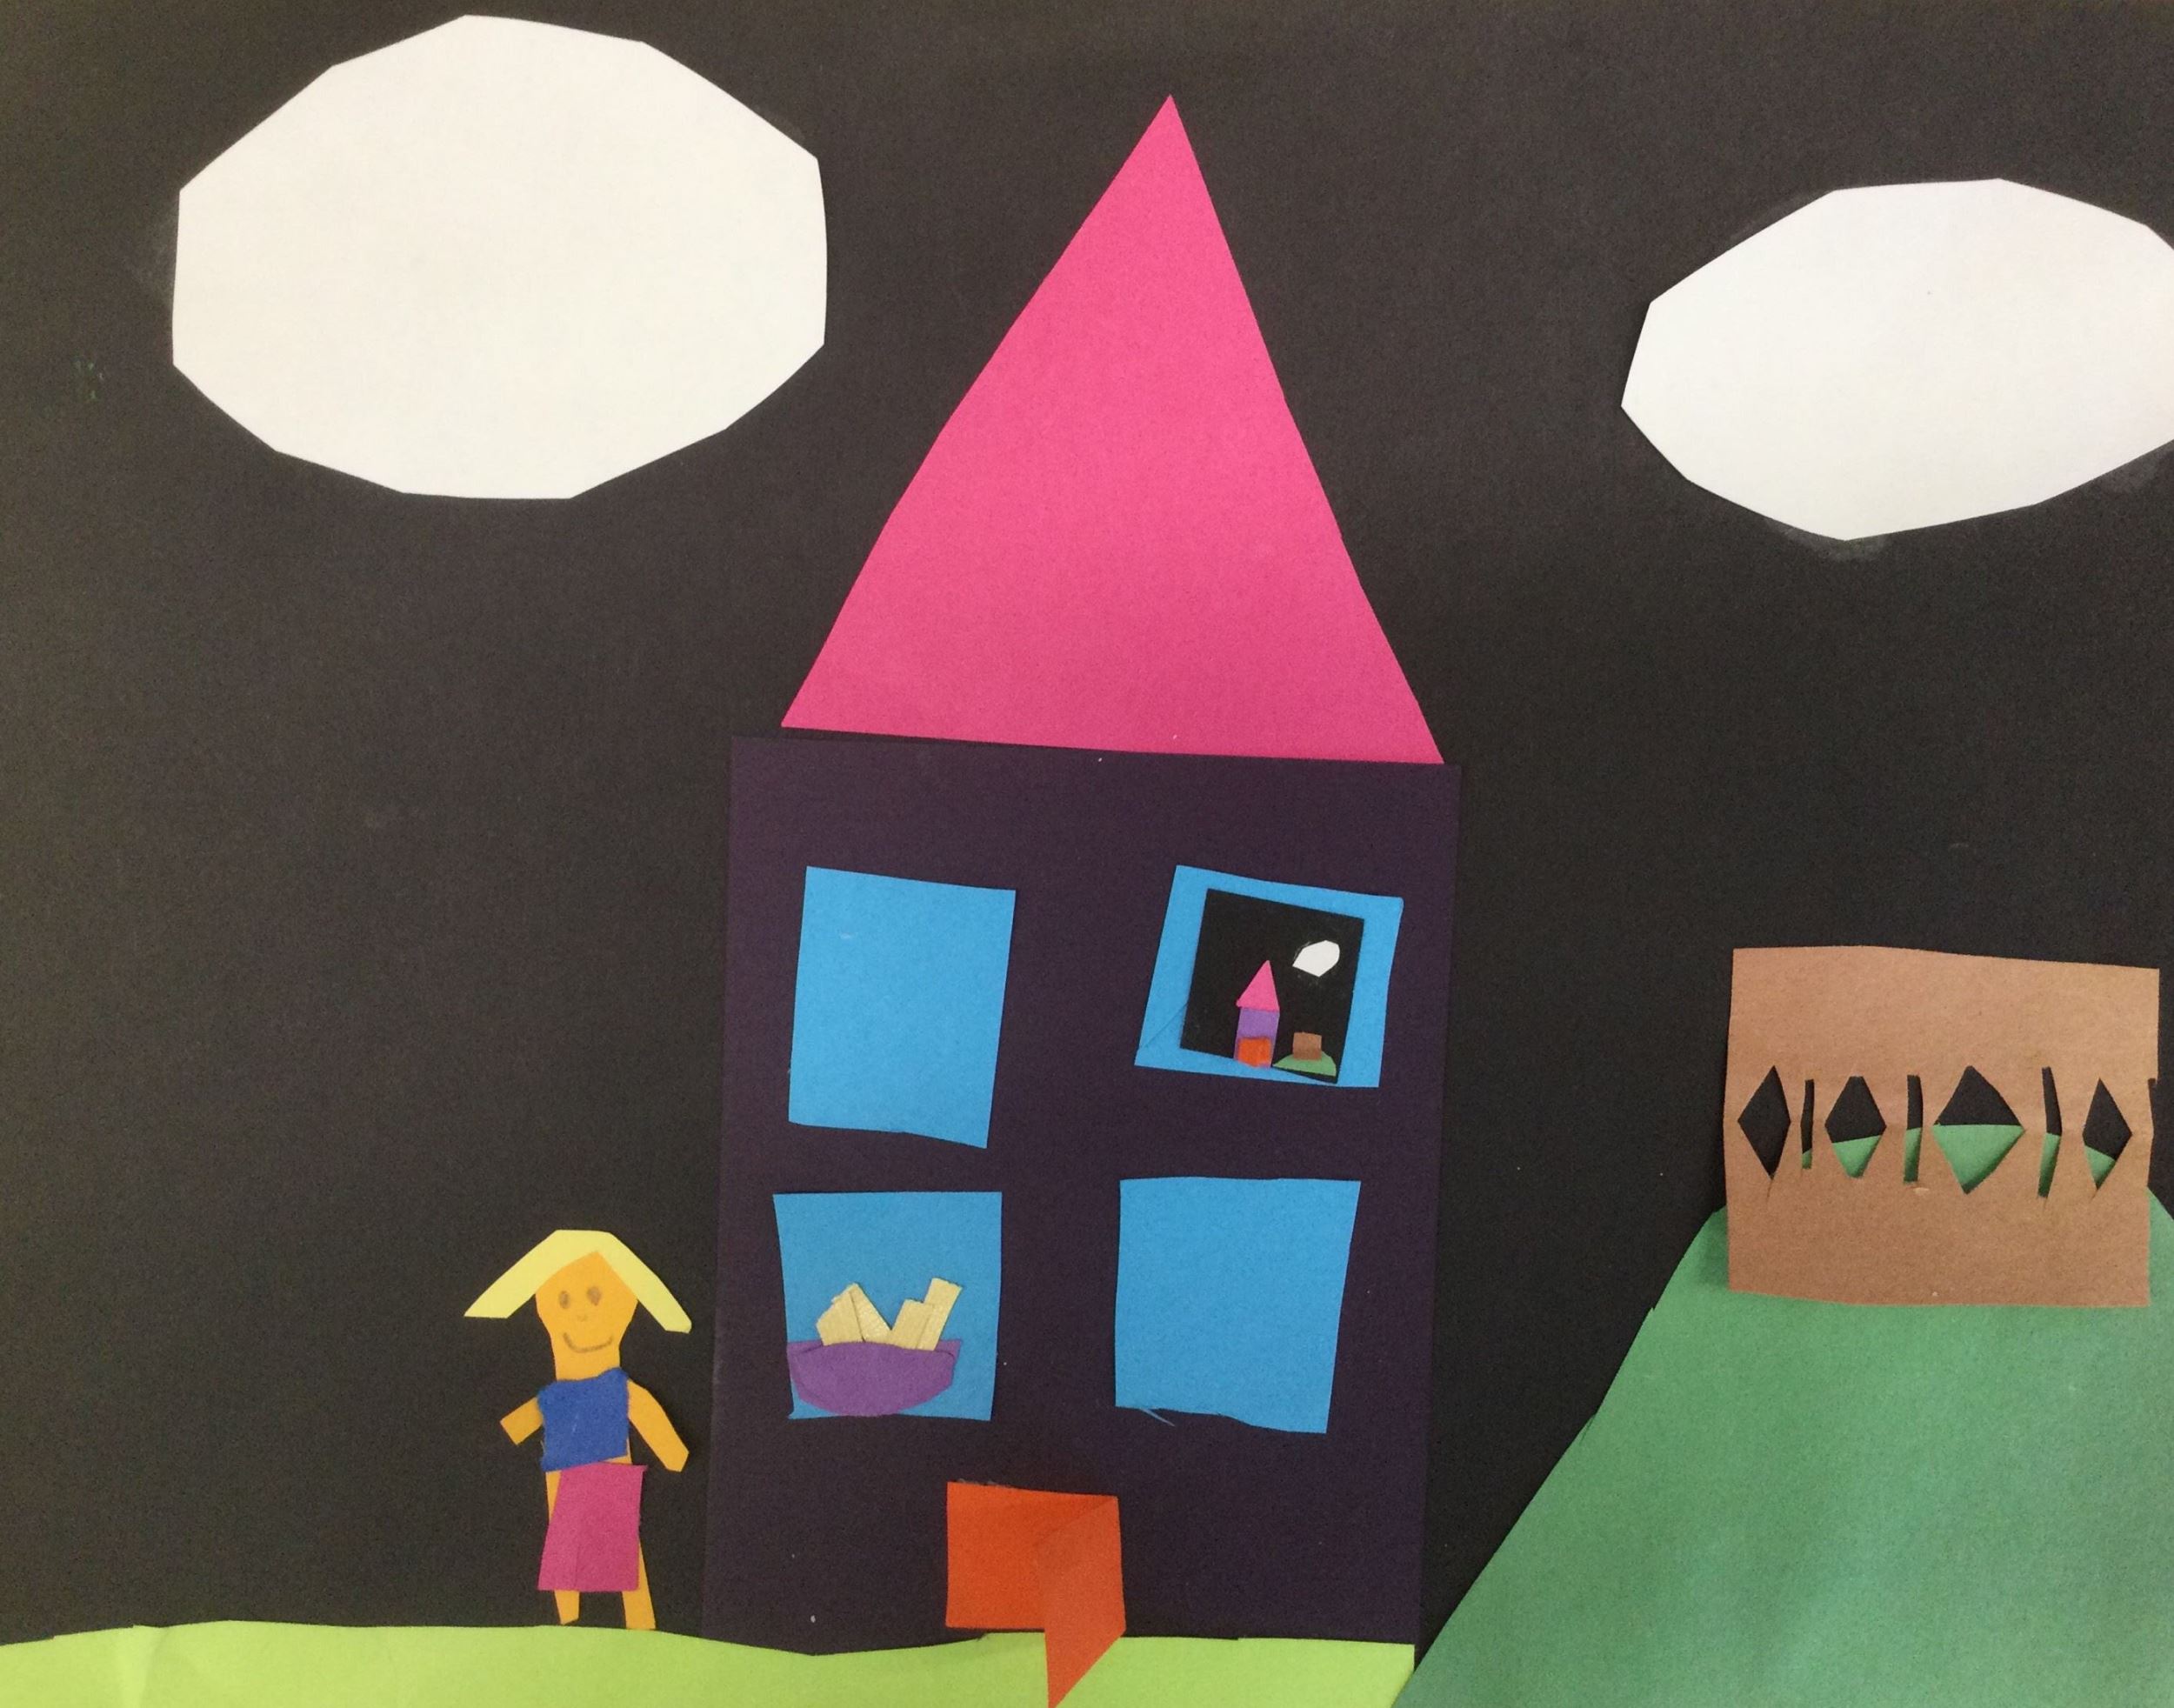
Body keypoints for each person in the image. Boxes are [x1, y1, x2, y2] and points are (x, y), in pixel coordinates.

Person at [466, 1230, 691, 1628]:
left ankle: (638, 1619)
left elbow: (646, 1413)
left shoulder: (616, 1388)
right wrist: (499, 1434)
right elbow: (529, 1417)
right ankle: (568, 1620)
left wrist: (675, 1453)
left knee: (620, 1546)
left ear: (625, 1306)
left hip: (610, 1470)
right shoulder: (557, 1395)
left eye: (596, 1296)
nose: (582, 1314)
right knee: (565, 1549)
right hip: (563, 1477)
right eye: (564, 1300)